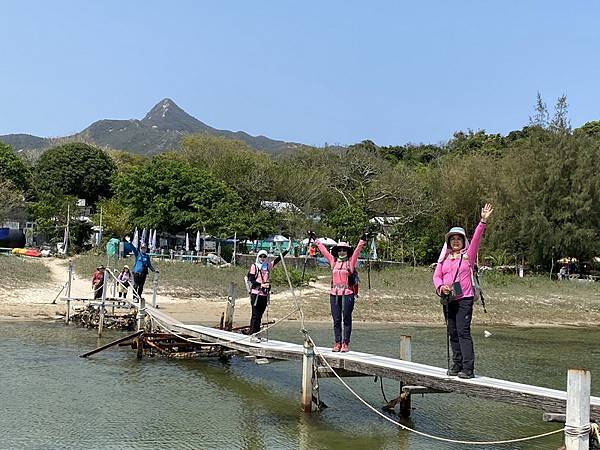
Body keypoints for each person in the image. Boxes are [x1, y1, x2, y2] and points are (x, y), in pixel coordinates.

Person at [433, 203, 494, 379]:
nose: (456, 241)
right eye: (453, 239)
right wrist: (441, 287)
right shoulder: (443, 260)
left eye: (459, 239)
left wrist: (482, 221)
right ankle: (456, 364)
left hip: (464, 299)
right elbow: (436, 277)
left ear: (463, 241)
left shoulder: (468, 256)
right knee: (452, 332)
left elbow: (476, 239)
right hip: (448, 299)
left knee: (463, 332)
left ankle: (468, 369)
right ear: (449, 242)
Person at [312, 232, 366, 353]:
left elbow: (357, 251)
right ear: (337, 252)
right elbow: (323, 251)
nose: (342, 252)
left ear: (347, 251)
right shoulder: (333, 261)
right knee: (336, 320)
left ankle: (345, 343)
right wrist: (315, 239)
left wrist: (362, 240)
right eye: (340, 250)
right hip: (334, 294)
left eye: (344, 250)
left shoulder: (350, 263)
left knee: (346, 319)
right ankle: (337, 343)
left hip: (347, 294)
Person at [247, 246, 289, 340]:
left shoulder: (268, 266)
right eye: (261, 256)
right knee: (255, 315)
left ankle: (257, 334)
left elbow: (278, 259)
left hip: (264, 295)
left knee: (260, 315)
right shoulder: (254, 266)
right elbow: (251, 280)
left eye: (264, 256)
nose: (262, 258)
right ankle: (252, 334)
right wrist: (261, 285)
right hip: (256, 293)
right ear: (258, 256)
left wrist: (287, 250)